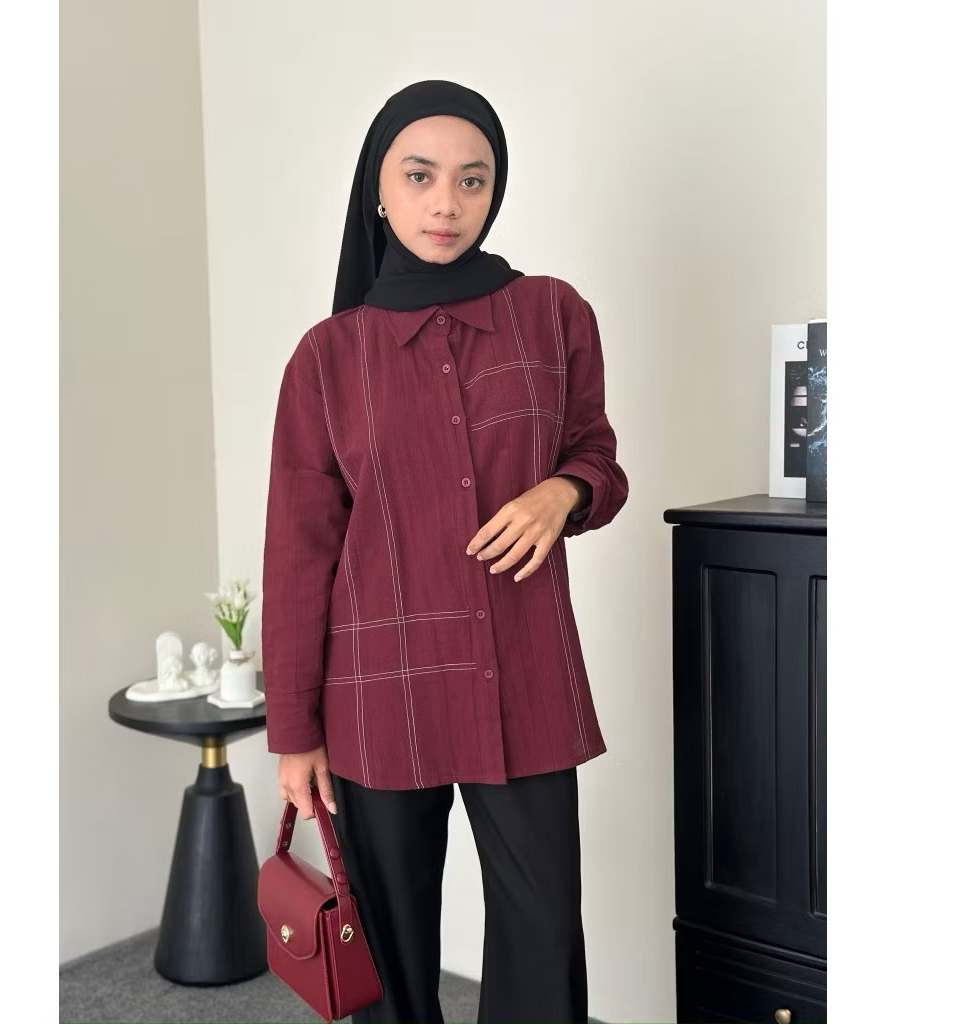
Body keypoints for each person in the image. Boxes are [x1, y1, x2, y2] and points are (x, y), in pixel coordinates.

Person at [261, 79, 629, 1024]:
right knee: (389, 955)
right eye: (420, 176)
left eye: (473, 180)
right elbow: (299, 553)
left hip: (524, 675)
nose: (447, 202)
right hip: (378, 692)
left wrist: (563, 491)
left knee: (544, 938)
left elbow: (598, 456)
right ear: (378, 192)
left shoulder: (552, 314)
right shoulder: (327, 356)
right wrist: (294, 732)